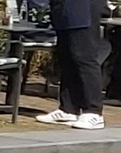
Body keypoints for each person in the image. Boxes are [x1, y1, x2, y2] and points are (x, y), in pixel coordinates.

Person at [40, 0, 109, 129]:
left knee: (84, 59)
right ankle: (68, 109)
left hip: (83, 9)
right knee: (66, 60)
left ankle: (94, 112)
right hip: (62, 10)